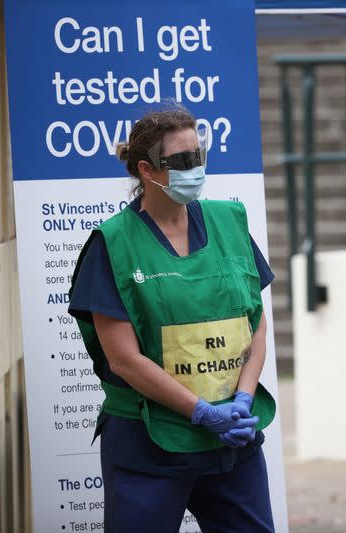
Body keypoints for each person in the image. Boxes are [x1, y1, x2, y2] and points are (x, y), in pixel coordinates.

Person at [68, 106, 276, 532]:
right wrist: (198, 410)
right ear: (147, 170)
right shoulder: (114, 243)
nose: (195, 168)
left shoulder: (229, 222)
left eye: (199, 155)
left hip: (230, 440)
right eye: (181, 161)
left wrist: (241, 399)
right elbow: (124, 359)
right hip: (149, 441)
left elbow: (253, 321)